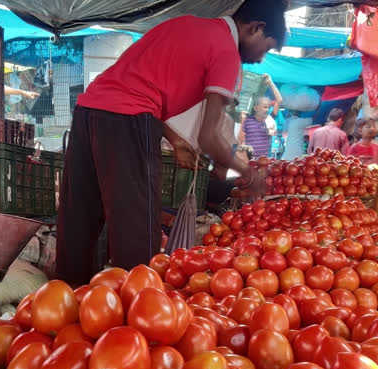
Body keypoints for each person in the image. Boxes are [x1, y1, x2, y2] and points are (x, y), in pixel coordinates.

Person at [56, 0, 286, 286]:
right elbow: (209, 137)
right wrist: (250, 174)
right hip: (129, 119)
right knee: (136, 227)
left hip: (89, 110)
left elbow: (139, 84)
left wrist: (175, 141)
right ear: (256, 28)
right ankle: (138, 309)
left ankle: (64, 298)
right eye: (265, 48)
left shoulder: (188, 25)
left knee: (79, 216)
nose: (261, 59)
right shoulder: (227, 52)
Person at [241, 76, 282, 158]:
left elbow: (279, 100)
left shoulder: (269, 120)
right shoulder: (247, 121)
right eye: (264, 107)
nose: (267, 110)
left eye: (268, 107)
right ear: (255, 108)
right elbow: (240, 139)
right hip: (249, 161)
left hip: (264, 162)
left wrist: (271, 83)